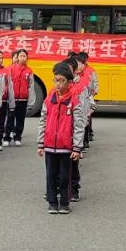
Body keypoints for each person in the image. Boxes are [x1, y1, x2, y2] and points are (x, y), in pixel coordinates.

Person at [36, 62, 85, 215]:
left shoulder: (74, 101)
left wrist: (77, 147)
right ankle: (52, 202)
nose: (58, 84)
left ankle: (64, 202)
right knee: (50, 175)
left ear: (69, 82)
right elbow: (43, 121)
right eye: (55, 80)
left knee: (65, 177)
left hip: (66, 147)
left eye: (61, 80)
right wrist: (40, 143)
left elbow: (79, 125)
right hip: (50, 145)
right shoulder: (49, 99)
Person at [7, 49, 36, 146]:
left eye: (24, 56)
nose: (23, 58)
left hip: (23, 99)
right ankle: (7, 137)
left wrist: (31, 101)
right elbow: (7, 84)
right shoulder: (11, 69)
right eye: (21, 56)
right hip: (12, 99)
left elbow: (31, 86)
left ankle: (18, 137)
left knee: (20, 119)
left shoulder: (29, 70)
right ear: (17, 57)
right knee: (10, 118)